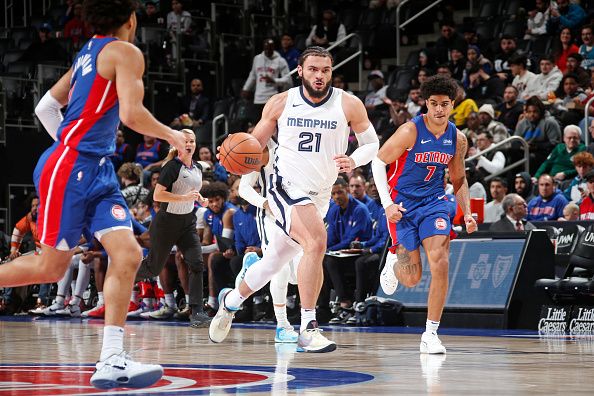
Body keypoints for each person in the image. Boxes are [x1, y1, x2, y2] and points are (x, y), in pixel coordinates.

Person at [0, 0, 187, 389]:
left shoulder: (87, 52)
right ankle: (111, 357)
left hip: (94, 168)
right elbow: (131, 115)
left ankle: (111, 359)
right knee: (49, 267)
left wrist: (75, 148)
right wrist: (173, 134)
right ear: (131, 20)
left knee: (128, 252)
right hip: (71, 168)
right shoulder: (125, 51)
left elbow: (45, 106)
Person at [208, 46, 379, 353]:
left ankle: (230, 301)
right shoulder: (281, 102)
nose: (319, 75)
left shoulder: (348, 104)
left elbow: (372, 143)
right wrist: (234, 156)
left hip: (320, 194)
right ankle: (308, 328)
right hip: (283, 185)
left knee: (274, 262)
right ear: (300, 71)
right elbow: (254, 144)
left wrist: (354, 159)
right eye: (313, 69)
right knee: (316, 242)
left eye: (325, 70)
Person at [372, 75, 478, 354]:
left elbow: (458, 179)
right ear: (426, 104)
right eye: (433, 104)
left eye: (444, 104)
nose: (439, 110)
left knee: (440, 261)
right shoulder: (410, 131)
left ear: (453, 105)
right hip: (403, 206)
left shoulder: (458, 138)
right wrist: (387, 205)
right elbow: (378, 162)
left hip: (435, 203)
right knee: (411, 278)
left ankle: (430, 334)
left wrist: (467, 213)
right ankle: (393, 259)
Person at [134, 129, 211, 328]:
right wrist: (183, 198)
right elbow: (158, 196)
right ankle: (122, 278)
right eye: (185, 140)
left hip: (187, 222)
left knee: (196, 263)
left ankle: (197, 312)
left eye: (192, 141)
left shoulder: (198, 168)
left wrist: (200, 200)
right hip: (166, 222)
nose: (189, 144)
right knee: (153, 267)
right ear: (177, 144)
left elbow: (191, 192)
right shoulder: (171, 166)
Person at [238, 141, 301, 342]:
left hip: (297, 214)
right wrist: (264, 203)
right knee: (279, 270)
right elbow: (243, 188)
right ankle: (282, 326)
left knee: (298, 276)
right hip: (271, 217)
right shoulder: (257, 147)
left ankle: (255, 266)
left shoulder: (294, 147)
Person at [242, 38, 293, 117]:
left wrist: (274, 81)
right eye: (266, 48)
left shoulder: (280, 60)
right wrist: (246, 88)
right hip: (258, 98)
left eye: (270, 48)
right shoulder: (257, 58)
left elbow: (287, 79)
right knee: (256, 124)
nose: (267, 50)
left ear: (273, 48)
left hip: (272, 97)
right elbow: (253, 75)